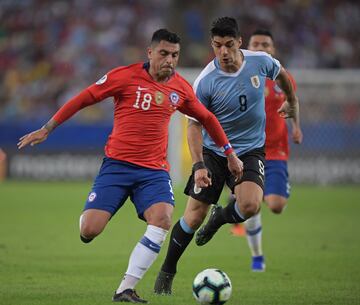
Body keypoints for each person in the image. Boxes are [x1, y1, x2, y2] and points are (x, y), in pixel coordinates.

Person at [17, 29, 243, 304]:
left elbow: (207, 118)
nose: (169, 60)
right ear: (150, 53)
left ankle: (125, 289)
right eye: (163, 54)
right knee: (89, 230)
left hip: (153, 172)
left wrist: (230, 153)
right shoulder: (123, 76)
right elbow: (84, 98)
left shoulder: (181, 88)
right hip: (116, 167)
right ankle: (91, 219)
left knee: (162, 219)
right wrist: (47, 128)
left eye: (174, 55)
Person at [154, 17, 300, 295]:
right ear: (212, 44)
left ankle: (220, 218)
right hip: (213, 152)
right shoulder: (206, 81)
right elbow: (194, 125)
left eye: (229, 45)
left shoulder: (261, 62)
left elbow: (283, 75)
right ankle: (167, 271)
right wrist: (198, 164)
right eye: (218, 45)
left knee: (250, 206)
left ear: (239, 43)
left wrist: (292, 102)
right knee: (193, 217)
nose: (223, 51)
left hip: (250, 150)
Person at [229, 29, 303, 272]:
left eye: (266, 44)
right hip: (249, 149)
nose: (261, 47)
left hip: (276, 150)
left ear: (273, 50)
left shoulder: (282, 77)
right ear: (246, 47)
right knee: (254, 204)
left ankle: (241, 200)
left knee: (277, 206)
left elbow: (293, 101)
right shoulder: (239, 75)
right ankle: (257, 256)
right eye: (256, 43)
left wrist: (296, 127)